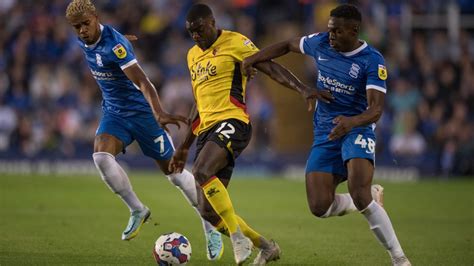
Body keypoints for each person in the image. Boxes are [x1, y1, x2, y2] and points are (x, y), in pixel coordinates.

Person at [243, 4, 411, 266]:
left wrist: (351, 122)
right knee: (319, 206)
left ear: (354, 30)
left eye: (336, 32)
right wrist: (253, 58)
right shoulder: (320, 42)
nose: (330, 36)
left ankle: (399, 259)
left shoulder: (372, 60)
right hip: (325, 132)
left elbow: (376, 109)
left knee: (359, 191)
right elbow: (287, 45)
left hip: (357, 128)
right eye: (329, 30)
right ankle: (366, 199)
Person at [168, 3, 333, 265]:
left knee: (200, 171)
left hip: (233, 121)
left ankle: (237, 236)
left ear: (212, 23)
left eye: (199, 30)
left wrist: (301, 88)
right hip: (207, 130)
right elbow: (198, 102)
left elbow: (268, 66)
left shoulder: (235, 41)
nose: (196, 36)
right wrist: (185, 145)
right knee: (208, 212)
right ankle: (265, 246)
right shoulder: (192, 56)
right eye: (191, 33)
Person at [64, 0, 224, 256]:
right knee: (101, 157)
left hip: (143, 115)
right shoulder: (88, 38)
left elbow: (144, 81)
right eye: (77, 27)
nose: (82, 30)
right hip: (114, 113)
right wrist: (121, 38)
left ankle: (211, 227)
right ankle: (137, 209)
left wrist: (159, 112)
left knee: (175, 174)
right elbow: (101, 42)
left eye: (85, 24)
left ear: (96, 17)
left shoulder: (115, 46)